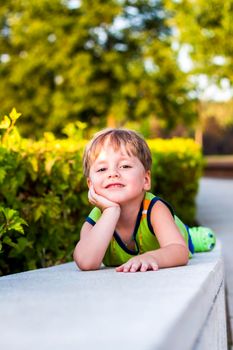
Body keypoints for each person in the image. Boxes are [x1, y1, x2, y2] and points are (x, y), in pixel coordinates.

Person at [73, 128, 216, 272]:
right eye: (102, 169)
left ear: (145, 180)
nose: (113, 173)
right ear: (90, 184)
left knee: (187, 239)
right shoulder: (95, 220)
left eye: (125, 166)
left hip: (177, 234)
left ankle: (193, 235)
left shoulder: (154, 209)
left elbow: (179, 251)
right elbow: (86, 262)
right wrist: (111, 211)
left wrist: (152, 257)